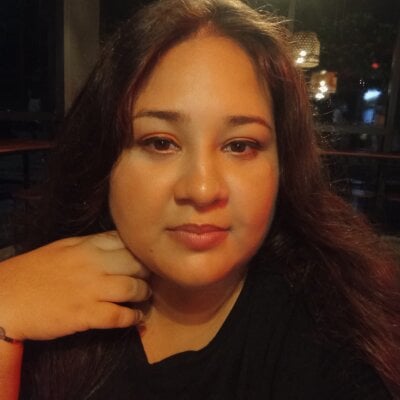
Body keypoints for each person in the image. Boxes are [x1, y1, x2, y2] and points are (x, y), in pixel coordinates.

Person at [0, 0, 399, 398]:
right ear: (103, 157)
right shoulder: (36, 295)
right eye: (160, 143)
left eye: (240, 145)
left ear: (283, 168)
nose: (203, 190)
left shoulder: (333, 342)